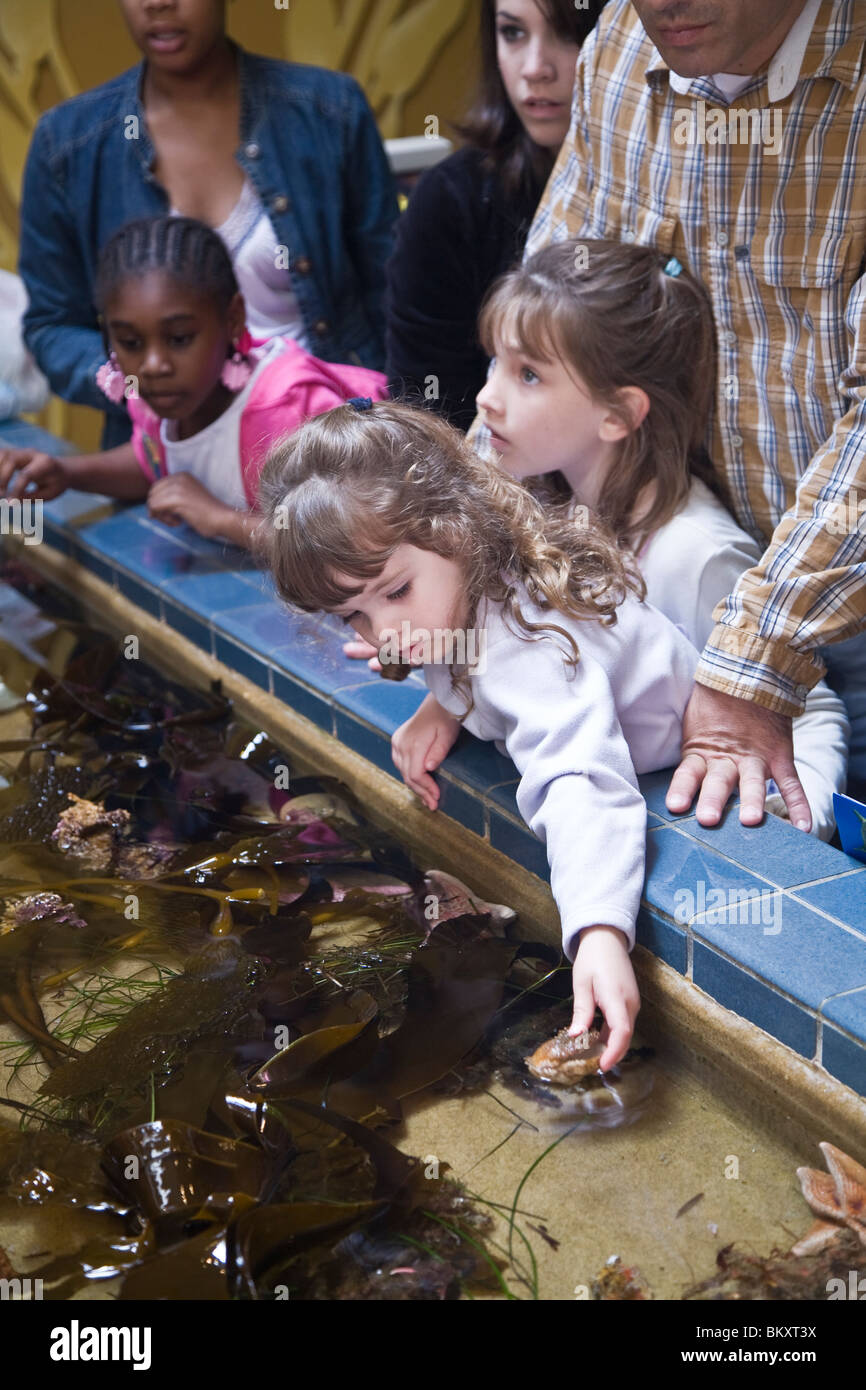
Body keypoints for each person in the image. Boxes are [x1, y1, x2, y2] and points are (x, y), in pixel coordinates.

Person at [465, 0, 866, 832]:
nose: (663, 6)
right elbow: (551, 311)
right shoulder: (623, 40)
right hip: (693, 581)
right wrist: (459, 559)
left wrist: (755, 661)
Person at [255, 397, 703, 1069]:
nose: (383, 634)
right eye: (353, 615)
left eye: (395, 593)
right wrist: (447, 704)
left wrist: (600, 931)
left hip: (717, 741)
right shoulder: (464, 578)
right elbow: (460, 650)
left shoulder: (528, 647)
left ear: (457, 533)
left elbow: (580, 780)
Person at [473, 238, 849, 840]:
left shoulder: (692, 554)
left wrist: (793, 817)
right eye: (494, 361)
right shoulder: (545, 507)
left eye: (527, 374)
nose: (486, 396)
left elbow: (810, 709)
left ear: (618, 414)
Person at [17, 0, 398, 452]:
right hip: (167, 454)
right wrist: (143, 382)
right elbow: (52, 326)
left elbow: (394, 293)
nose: (158, 4)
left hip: (330, 447)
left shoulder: (330, 111)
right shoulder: (67, 144)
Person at [0, 218, 388, 547]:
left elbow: (355, 538)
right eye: (131, 343)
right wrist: (68, 473)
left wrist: (222, 520)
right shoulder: (157, 397)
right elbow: (155, 457)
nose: (152, 365)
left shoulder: (288, 414)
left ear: (233, 319)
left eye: (180, 338)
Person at [385, 0, 604, 430]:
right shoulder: (449, 201)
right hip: (486, 486)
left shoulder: (665, 184)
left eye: (568, 33)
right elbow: (428, 424)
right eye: (513, 33)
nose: (536, 68)